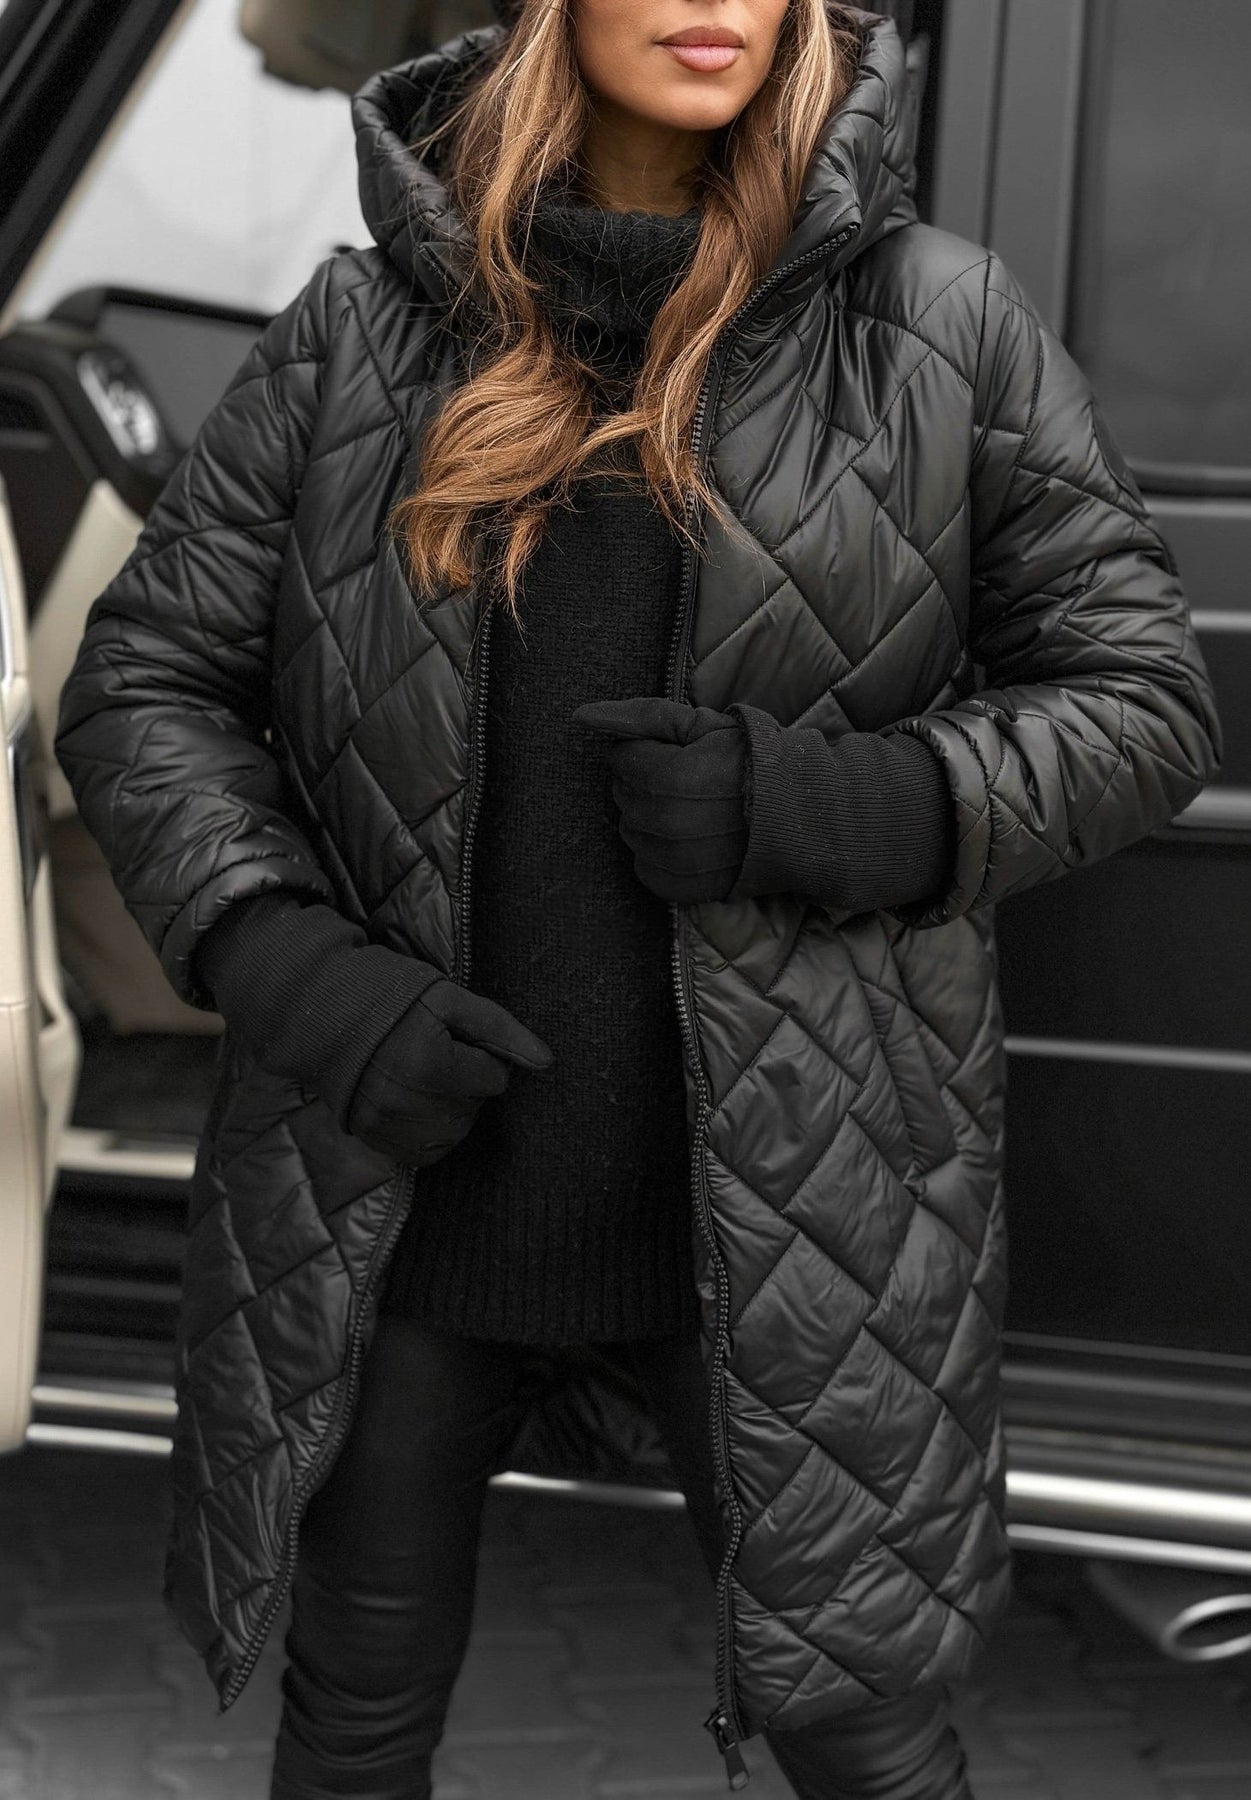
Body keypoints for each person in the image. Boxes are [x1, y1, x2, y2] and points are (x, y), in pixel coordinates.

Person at [53, 1, 1223, 1796]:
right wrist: (286, 963)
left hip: (789, 1213)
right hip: (400, 1193)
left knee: (865, 1746)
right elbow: (146, 685)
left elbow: (1141, 701)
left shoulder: (939, 321)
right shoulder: (358, 330)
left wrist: (847, 802)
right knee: (351, 1722)